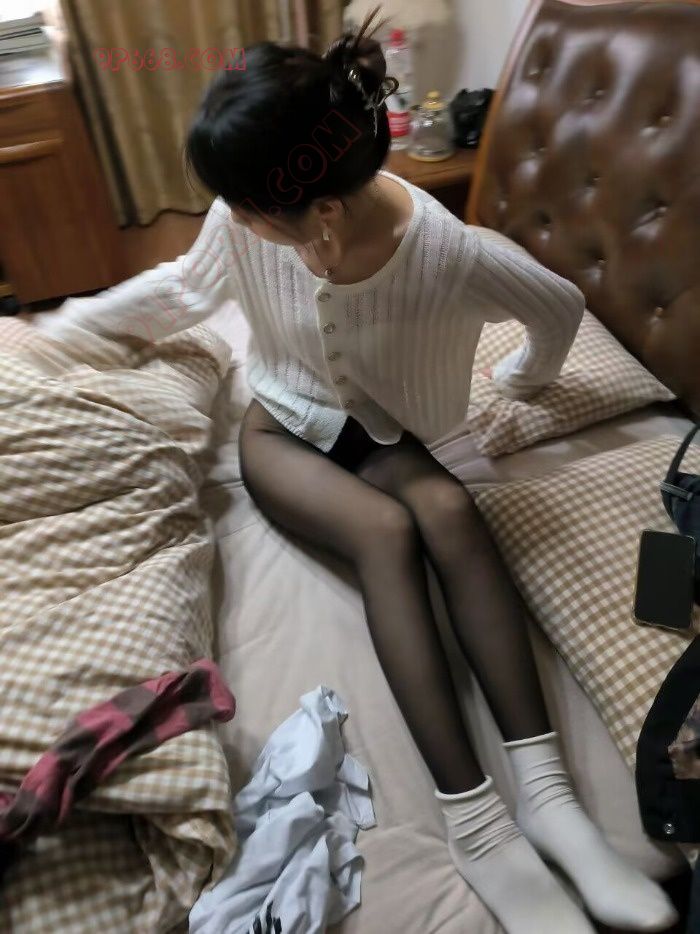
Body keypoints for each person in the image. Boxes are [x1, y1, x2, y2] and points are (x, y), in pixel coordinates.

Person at [38, 11, 678, 933]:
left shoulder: (449, 255)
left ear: (323, 212)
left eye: (250, 211)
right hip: (278, 431)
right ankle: (477, 825)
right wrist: (70, 328)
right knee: (386, 532)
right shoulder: (247, 219)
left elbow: (559, 307)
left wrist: (522, 381)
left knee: (449, 512)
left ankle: (552, 802)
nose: (235, 221)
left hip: (382, 436)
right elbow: (183, 290)